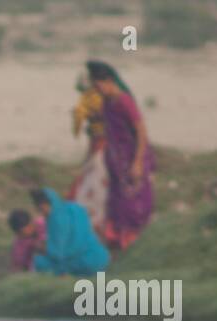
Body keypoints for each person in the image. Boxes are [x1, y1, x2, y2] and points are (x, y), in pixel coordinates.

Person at [87, 60, 155, 251]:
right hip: (117, 163)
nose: (97, 90)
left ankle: (135, 246)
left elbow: (141, 132)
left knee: (133, 207)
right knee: (117, 206)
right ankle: (118, 246)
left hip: (131, 161)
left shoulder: (124, 101)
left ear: (109, 81)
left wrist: (138, 162)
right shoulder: (107, 103)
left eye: (98, 86)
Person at [28, 187, 109, 276]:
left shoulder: (55, 219)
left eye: (41, 209)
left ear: (47, 204)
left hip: (83, 263)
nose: (42, 213)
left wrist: (42, 248)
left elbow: (58, 254)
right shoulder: (74, 208)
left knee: (39, 262)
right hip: (101, 257)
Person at [66, 72, 109, 236]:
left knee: (94, 173)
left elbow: (79, 116)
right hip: (100, 140)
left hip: (100, 141)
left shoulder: (88, 99)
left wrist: (82, 118)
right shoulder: (97, 97)